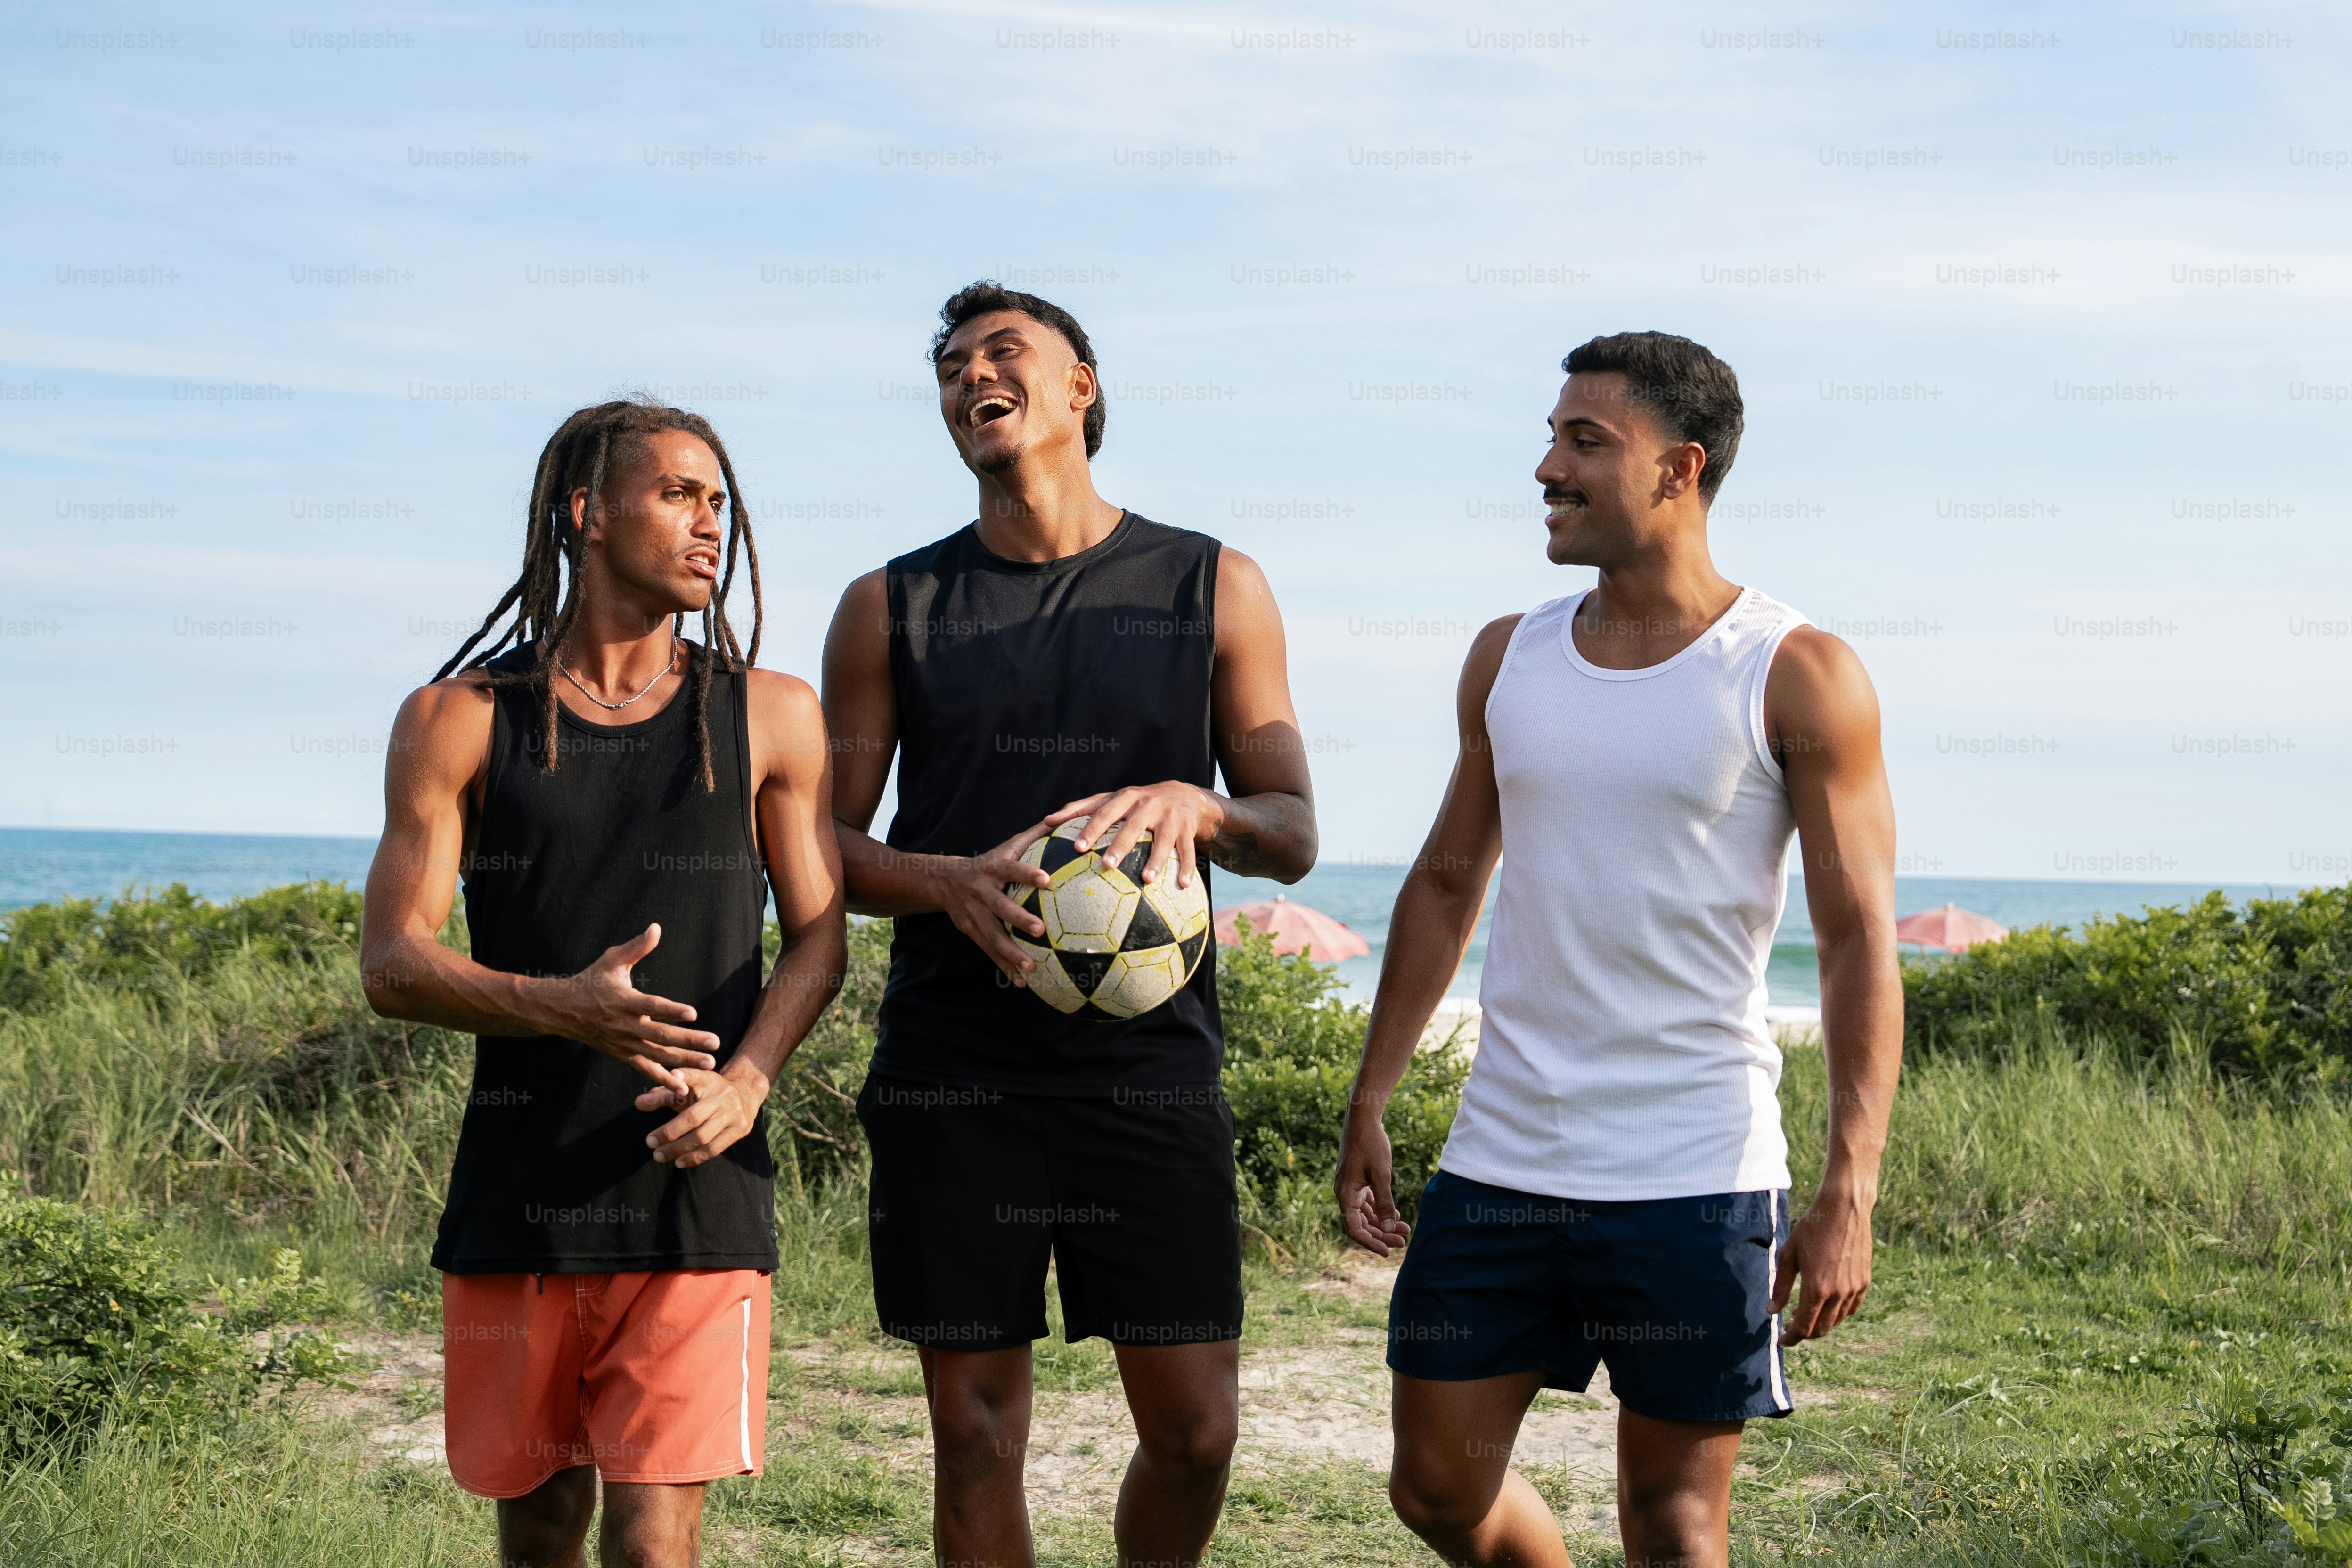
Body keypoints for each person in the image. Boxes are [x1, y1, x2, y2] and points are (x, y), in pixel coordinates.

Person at [1335, 333, 1902, 1568]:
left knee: (1675, 1524)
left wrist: (1849, 1183)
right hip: (1503, 1157)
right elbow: (1442, 883)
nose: (1548, 466)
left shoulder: (1797, 675)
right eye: (1551, 436)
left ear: (1679, 470)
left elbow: (1856, 939)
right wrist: (1373, 1091)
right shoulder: (1510, 655)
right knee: (1437, 1482)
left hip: (1695, 1171)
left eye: (1586, 442)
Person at [820, 281, 1316, 1568]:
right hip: (954, 1066)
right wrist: (942, 883)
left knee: (1199, 1430)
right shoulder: (890, 605)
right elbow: (818, 844)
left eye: (1002, 354)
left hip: (1147, 1069)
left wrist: (1199, 810)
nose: (968, 377)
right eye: (948, 366)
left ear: (1081, 386)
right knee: (976, 1433)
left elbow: (1294, 832)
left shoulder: (1215, 583)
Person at [359, 399, 847, 1568]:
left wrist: (750, 1078)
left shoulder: (770, 712)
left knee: (652, 1536)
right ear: (586, 511)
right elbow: (392, 960)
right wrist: (561, 1004)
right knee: (538, 1529)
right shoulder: (458, 720)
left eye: (718, 501)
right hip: (519, 1190)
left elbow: (822, 937)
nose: (709, 525)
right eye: (680, 494)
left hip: (701, 1188)